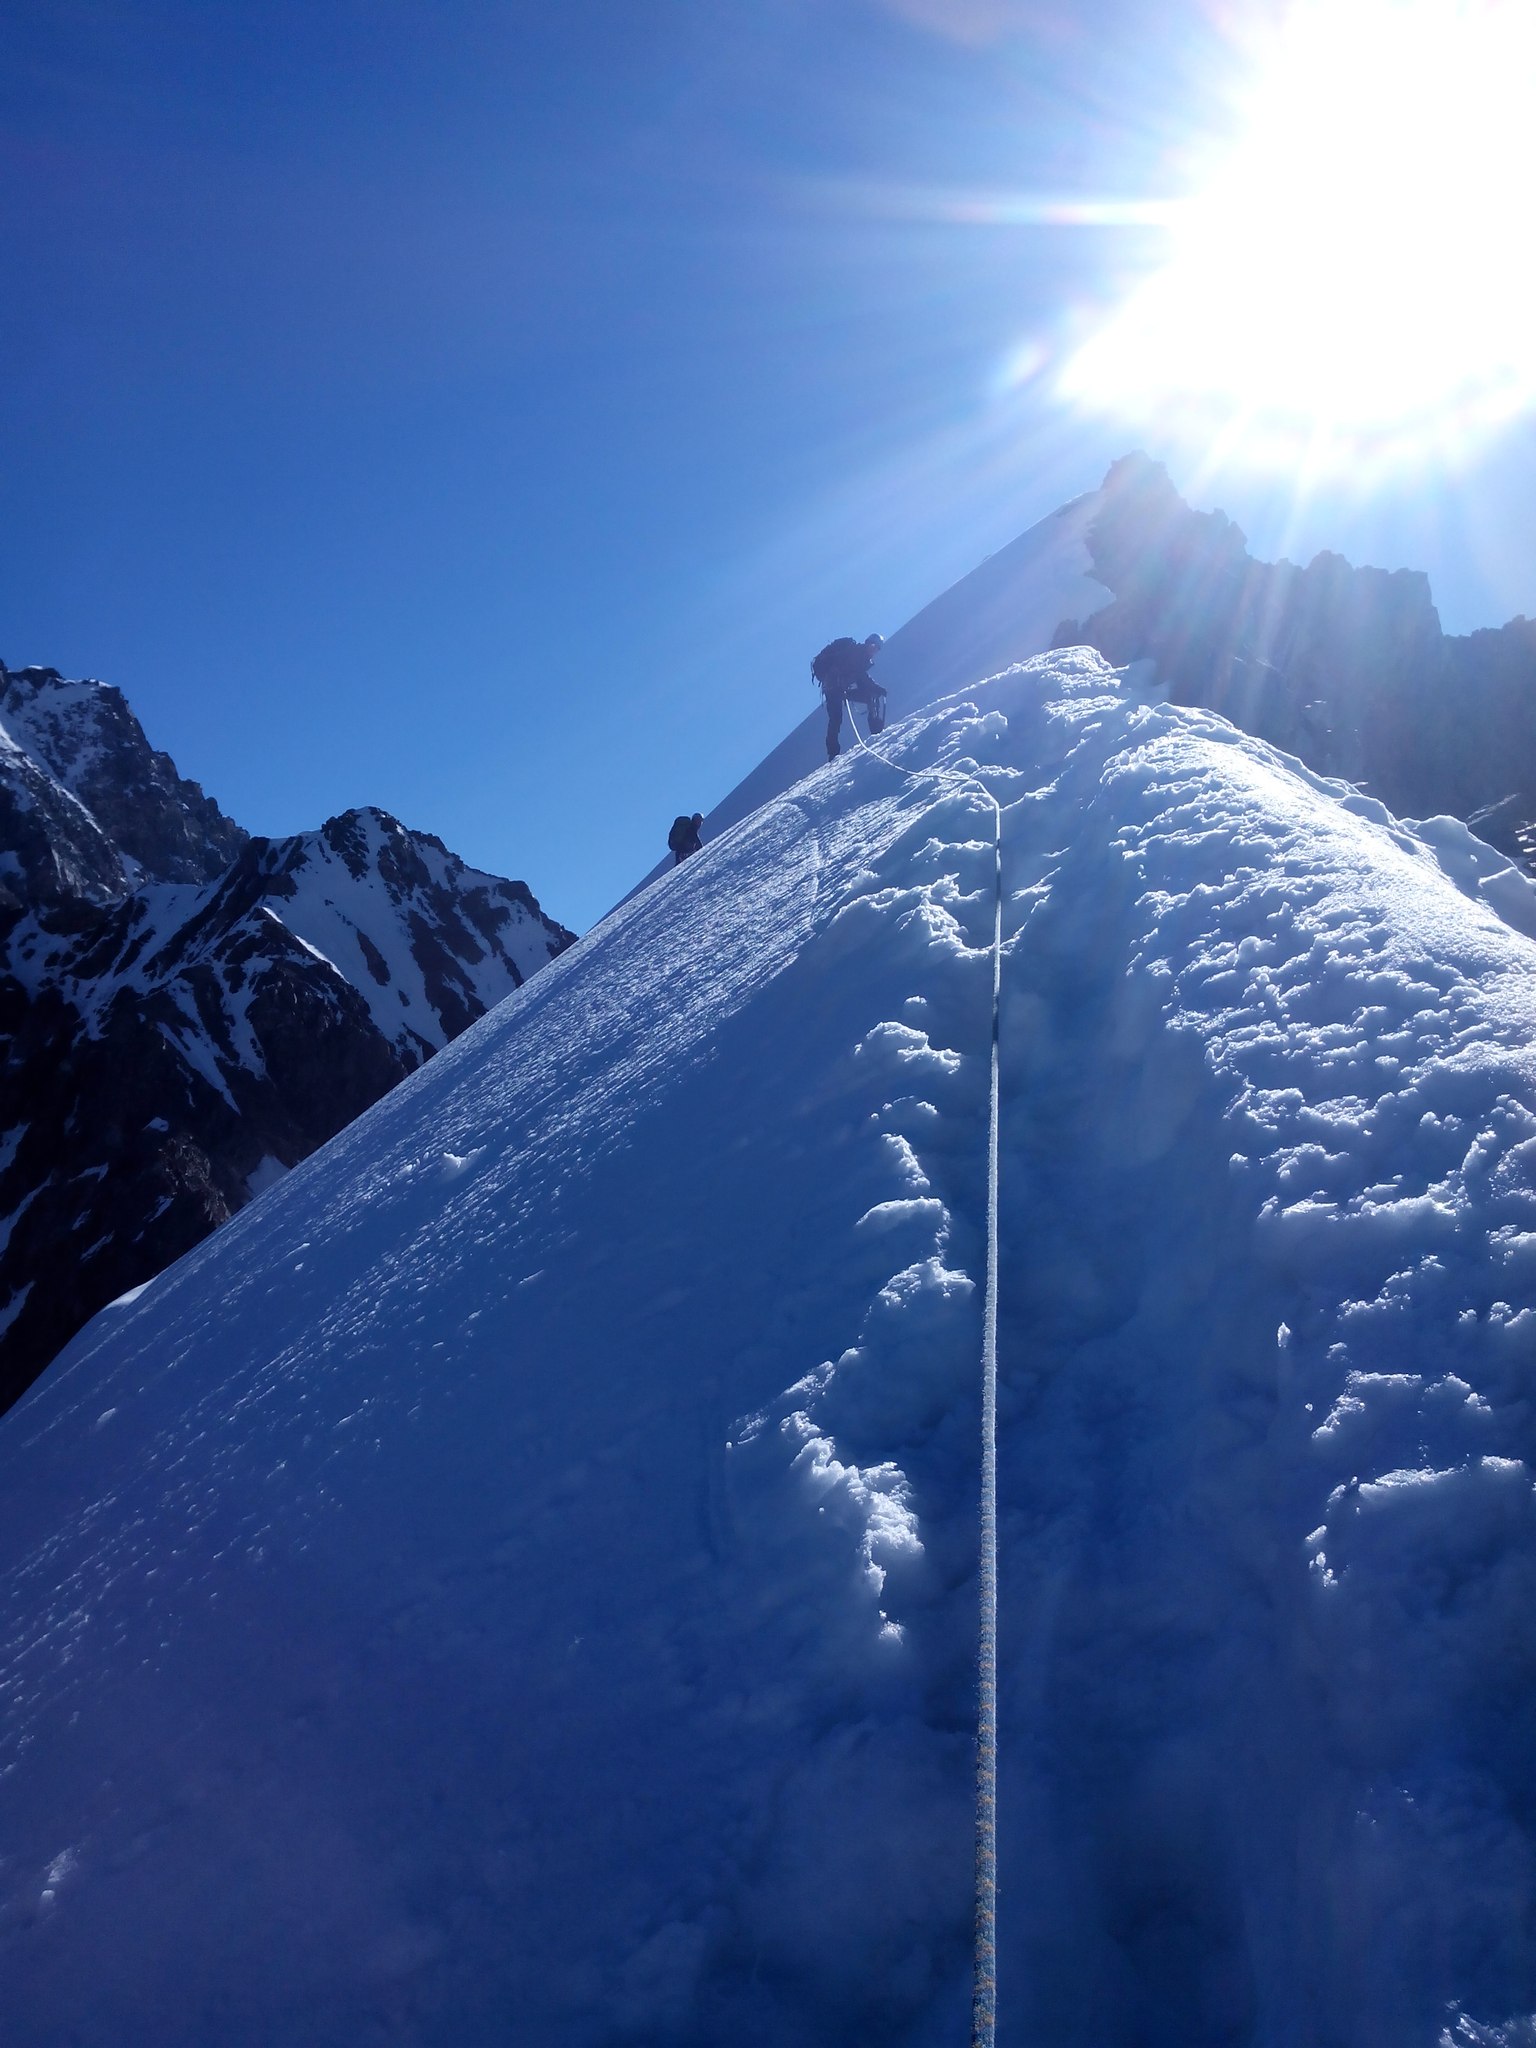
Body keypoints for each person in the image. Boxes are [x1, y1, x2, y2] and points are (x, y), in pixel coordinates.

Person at [811, 634, 886, 758]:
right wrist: (876, 688)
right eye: (873, 646)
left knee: (871, 697)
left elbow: (861, 678)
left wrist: (876, 689)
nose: (874, 650)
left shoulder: (862, 658)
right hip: (833, 687)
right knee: (836, 718)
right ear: (867, 643)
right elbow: (861, 676)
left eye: (877, 648)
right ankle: (833, 753)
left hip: (839, 689)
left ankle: (876, 731)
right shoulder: (856, 653)